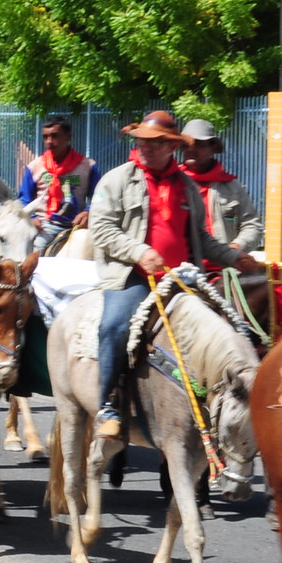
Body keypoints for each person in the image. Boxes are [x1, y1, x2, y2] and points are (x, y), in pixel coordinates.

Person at [88, 111, 261, 439]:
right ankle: (107, 403)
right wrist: (139, 252)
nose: (146, 147)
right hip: (134, 278)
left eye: (155, 143)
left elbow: (201, 237)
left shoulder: (186, 187)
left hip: (183, 279)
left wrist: (233, 257)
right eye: (142, 141)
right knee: (115, 325)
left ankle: (217, 403)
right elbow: (101, 228)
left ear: (171, 146)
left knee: (230, 332)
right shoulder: (117, 179)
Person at [178, 119, 262, 266]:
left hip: (224, 268)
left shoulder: (232, 187)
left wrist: (237, 247)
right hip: (181, 268)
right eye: (185, 145)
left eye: (199, 144)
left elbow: (252, 225)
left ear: (213, 148)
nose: (191, 149)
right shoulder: (172, 183)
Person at [20, 115, 98, 253]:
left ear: (68, 136)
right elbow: (23, 199)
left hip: (78, 225)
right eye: (46, 137)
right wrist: (31, 219)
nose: (50, 141)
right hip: (45, 226)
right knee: (34, 251)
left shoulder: (88, 166)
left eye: (55, 136)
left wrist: (88, 211)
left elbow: (101, 195)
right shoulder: (35, 167)